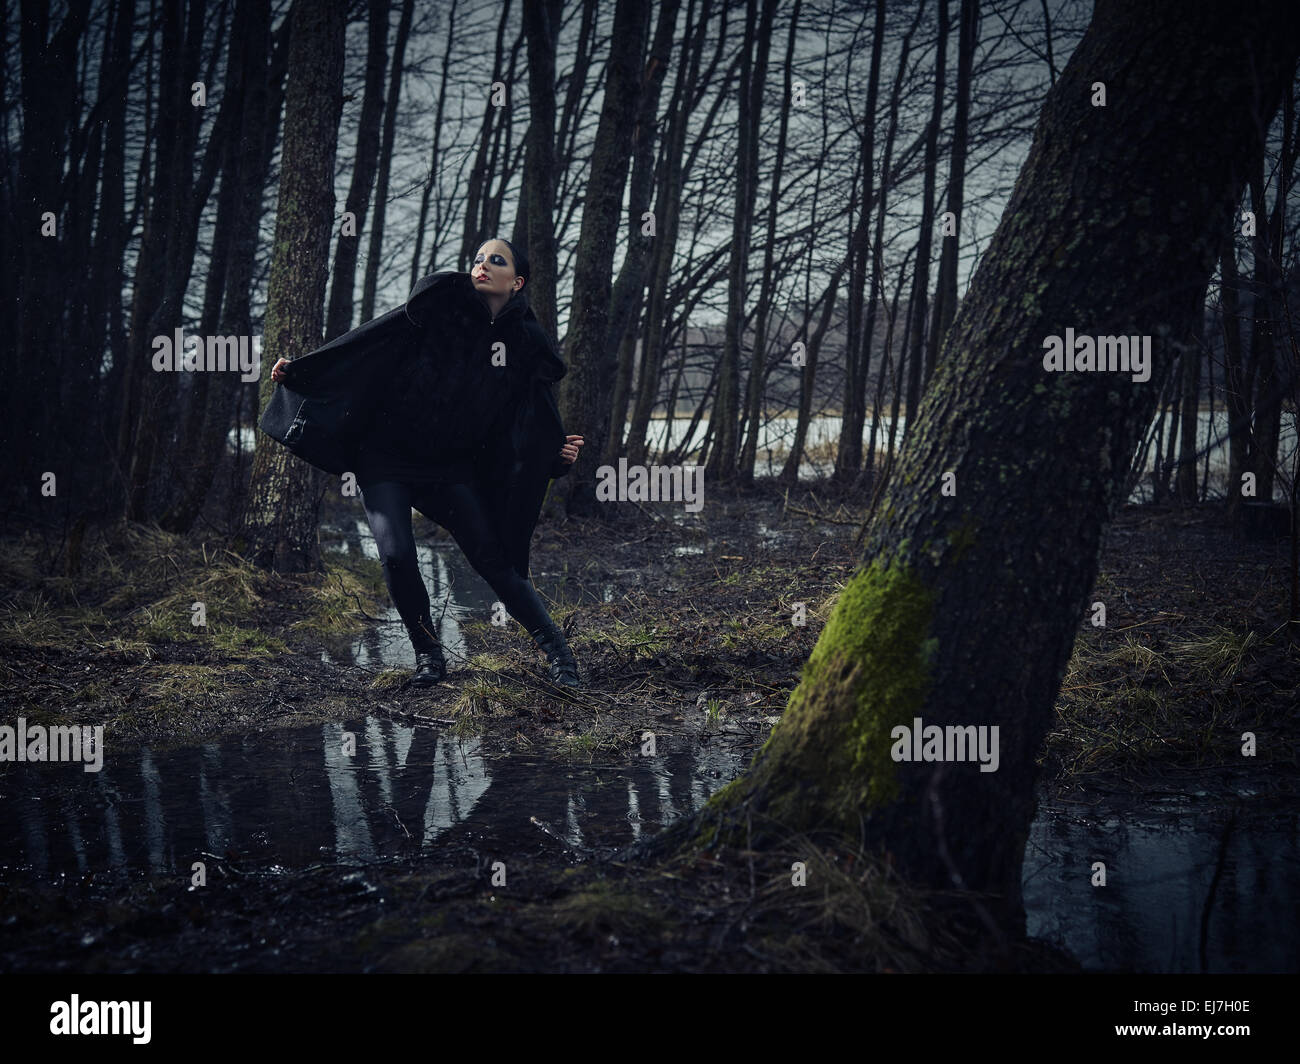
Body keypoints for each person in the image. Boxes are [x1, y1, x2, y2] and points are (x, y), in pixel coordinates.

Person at [269, 238, 584, 688]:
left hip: (448, 467)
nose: (482, 265)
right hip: (386, 455)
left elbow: (526, 416)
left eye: (496, 260)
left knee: (494, 559)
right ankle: (429, 658)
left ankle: (560, 657)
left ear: (517, 282)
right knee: (397, 555)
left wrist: (553, 457)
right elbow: (372, 341)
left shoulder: (524, 342)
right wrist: (304, 369)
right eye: (477, 258)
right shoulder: (442, 307)